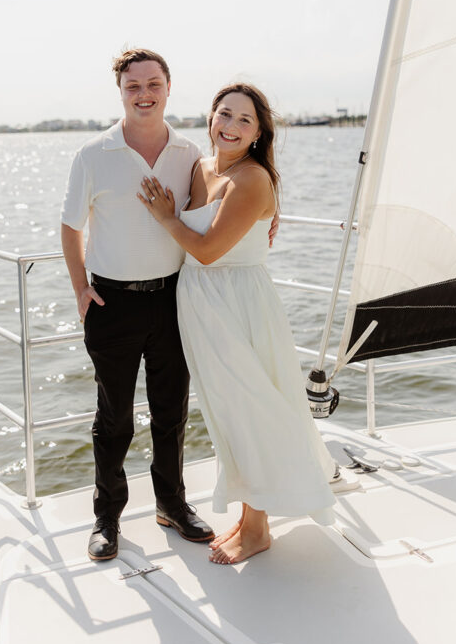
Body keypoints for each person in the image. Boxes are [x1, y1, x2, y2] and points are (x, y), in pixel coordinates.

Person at [138, 83, 336, 564]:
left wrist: (167, 217)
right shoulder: (201, 168)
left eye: (244, 120)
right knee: (229, 411)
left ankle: (259, 527)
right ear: (210, 119)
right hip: (201, 301)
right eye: (223, 114)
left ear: (258, 133)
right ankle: (250, 518)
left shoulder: (251, 179)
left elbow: (206, 249)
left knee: (251, 408)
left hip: (236, 303)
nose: (230, 125)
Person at [60, 48, 215, 560]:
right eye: (133, 86)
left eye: (153, 84)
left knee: (171, 413)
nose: (143, 94)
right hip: (113, 303)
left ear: (168, 88)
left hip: (173, 299)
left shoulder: (190, 152)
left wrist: (270, 215)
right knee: (115, 419)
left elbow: (217, 203)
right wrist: (81, 288)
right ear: (121, 92)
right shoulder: (93, 154)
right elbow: (70, 227)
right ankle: (107, 518)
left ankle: (172, 504)